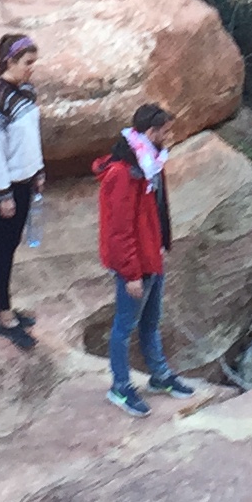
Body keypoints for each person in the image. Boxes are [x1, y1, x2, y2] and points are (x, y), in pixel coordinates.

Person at [94, 102, 194, 414]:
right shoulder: (124, 174)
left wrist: (162, 243)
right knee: (124, 326)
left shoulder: (149, 164)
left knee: (150, 321)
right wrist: (131, 273)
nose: (170, 136)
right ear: (150, 133)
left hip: (152, 255)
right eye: (166, 131)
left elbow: (157, 209)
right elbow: (119, 230)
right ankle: (120, 386)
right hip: (136, 264)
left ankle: (160, 375)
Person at [0, 32, 43, 347]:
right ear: (10, 61)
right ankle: (4, 314)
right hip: (3, 185)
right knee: (2, 248)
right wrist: (3, 194)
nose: (32, 68)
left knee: (11, 244)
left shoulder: (25, 92)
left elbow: (30, 136)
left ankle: (6, 305)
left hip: (23, 180)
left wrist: (37, 170)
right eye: (28, 63)